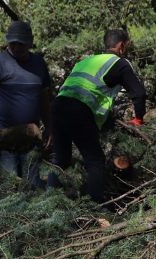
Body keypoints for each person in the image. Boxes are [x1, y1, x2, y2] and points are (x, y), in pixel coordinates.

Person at [49, 29, 147, 202]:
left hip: (58, 106)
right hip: (78, 109)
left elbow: (93, 89)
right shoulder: (120, 63)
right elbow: (138, 93)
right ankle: (95, 206)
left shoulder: (88, 60)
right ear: (122, 46)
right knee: (95, 160)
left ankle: (48, 201)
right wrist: (138, 119)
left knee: (60, 159)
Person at [0, 20, 51, 183]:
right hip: (3, 140)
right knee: (9, 186)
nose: (17, 47)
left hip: (30, 138)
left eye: (21, 44)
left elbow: (44, 98)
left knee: (33, 184)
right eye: (13, 43)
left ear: (30, 42)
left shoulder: (39, 64)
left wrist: (50, 127)